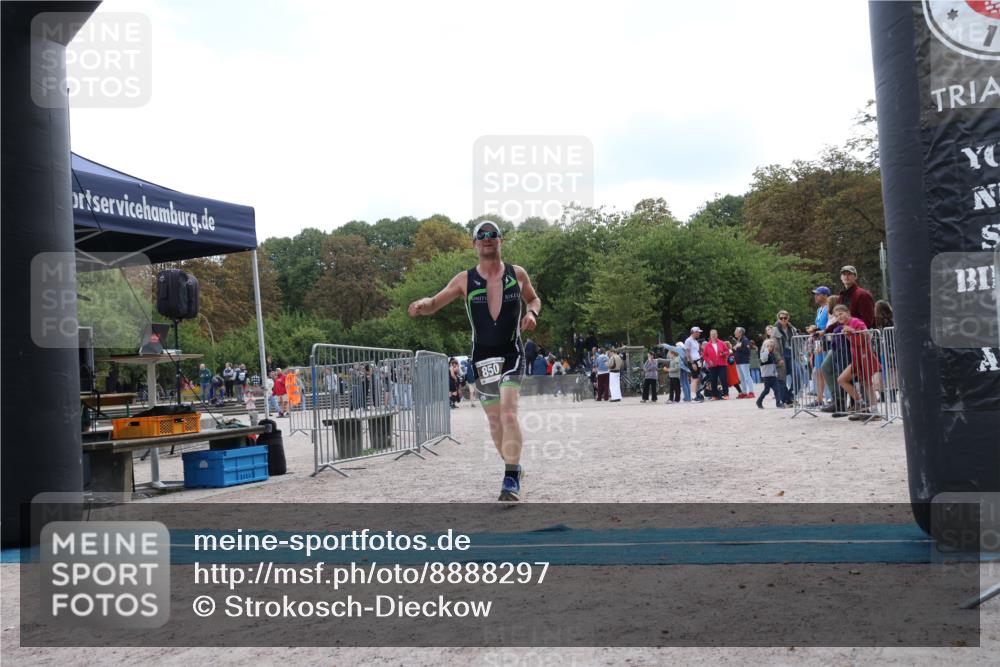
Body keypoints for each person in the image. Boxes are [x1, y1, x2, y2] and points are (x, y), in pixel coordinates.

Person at [407, 220, 540, 502]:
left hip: (511, 353)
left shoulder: (517, 274)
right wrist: (422, 305)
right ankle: (513, 466)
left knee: (507, 411)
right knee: (494, 421)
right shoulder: (464, 280)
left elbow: (534, 299)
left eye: (493, 234)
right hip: (482, 358)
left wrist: (532, 314)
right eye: (482, 235)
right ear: (474, 243)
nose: (487, 239)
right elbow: (435, 302)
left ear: (501, 240)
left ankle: (510, 477)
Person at [770, 310, 797, 407]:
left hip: (792, 354)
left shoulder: (793, 329)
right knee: (781, 378)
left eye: (785, 318)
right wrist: (778, 359)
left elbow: (797, 342)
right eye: (781, 318)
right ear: (778, 319)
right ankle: (786, 399)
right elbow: (774, 347)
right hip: (782, 355)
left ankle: (790, 396)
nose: (783, 320)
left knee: (798, 375)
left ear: (788, 318)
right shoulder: (774, 330)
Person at [702, 329, 729, 400]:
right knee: (713, 380)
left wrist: (724, 354)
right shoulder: (707, 345)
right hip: (712, 365)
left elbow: (727, 351)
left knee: (723, 379)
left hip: (722, 364)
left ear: (717, 335)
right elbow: (704, 355)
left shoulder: (722, 343)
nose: (713, 335)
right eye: (712, 334)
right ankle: (714, 396)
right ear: (710, 336)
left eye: (715, 334)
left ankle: (726, 394)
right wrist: (708, 361)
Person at [756, 339, 780, 408]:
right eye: (768, 346)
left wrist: (776, 372)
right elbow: (764, 359)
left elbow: (774, 364)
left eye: (771, 346)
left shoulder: (772, 354)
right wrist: (766, 350)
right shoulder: (763, 354)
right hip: (766, 375)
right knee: (766, 390)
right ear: (765, 346)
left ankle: (778, 403)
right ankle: (759, 401)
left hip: (773, 375)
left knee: (777, 389)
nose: (770, 347)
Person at [732, 328, 754, 398]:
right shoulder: (739, 340)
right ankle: (744, 392)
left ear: (740, 333)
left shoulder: (745, 340)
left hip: (744, 361)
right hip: (738, 361)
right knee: (741, 378)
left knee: (747, 377)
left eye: (736, 332)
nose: (734, 333)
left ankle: (751, 392)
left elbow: (747, 351)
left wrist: (738, 348)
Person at [684, 327, 704, 402]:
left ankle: (695, 395)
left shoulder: (695, 341)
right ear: (694, 332)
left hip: (697, 361)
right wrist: (692, 363)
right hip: (693, 361)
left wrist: (700, 361)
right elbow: (688, 353)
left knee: (696, 379)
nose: (699, 333)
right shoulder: (688, 341)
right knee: (695, 379)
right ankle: (693, 397)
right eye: (698, 332)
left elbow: (697, 351)